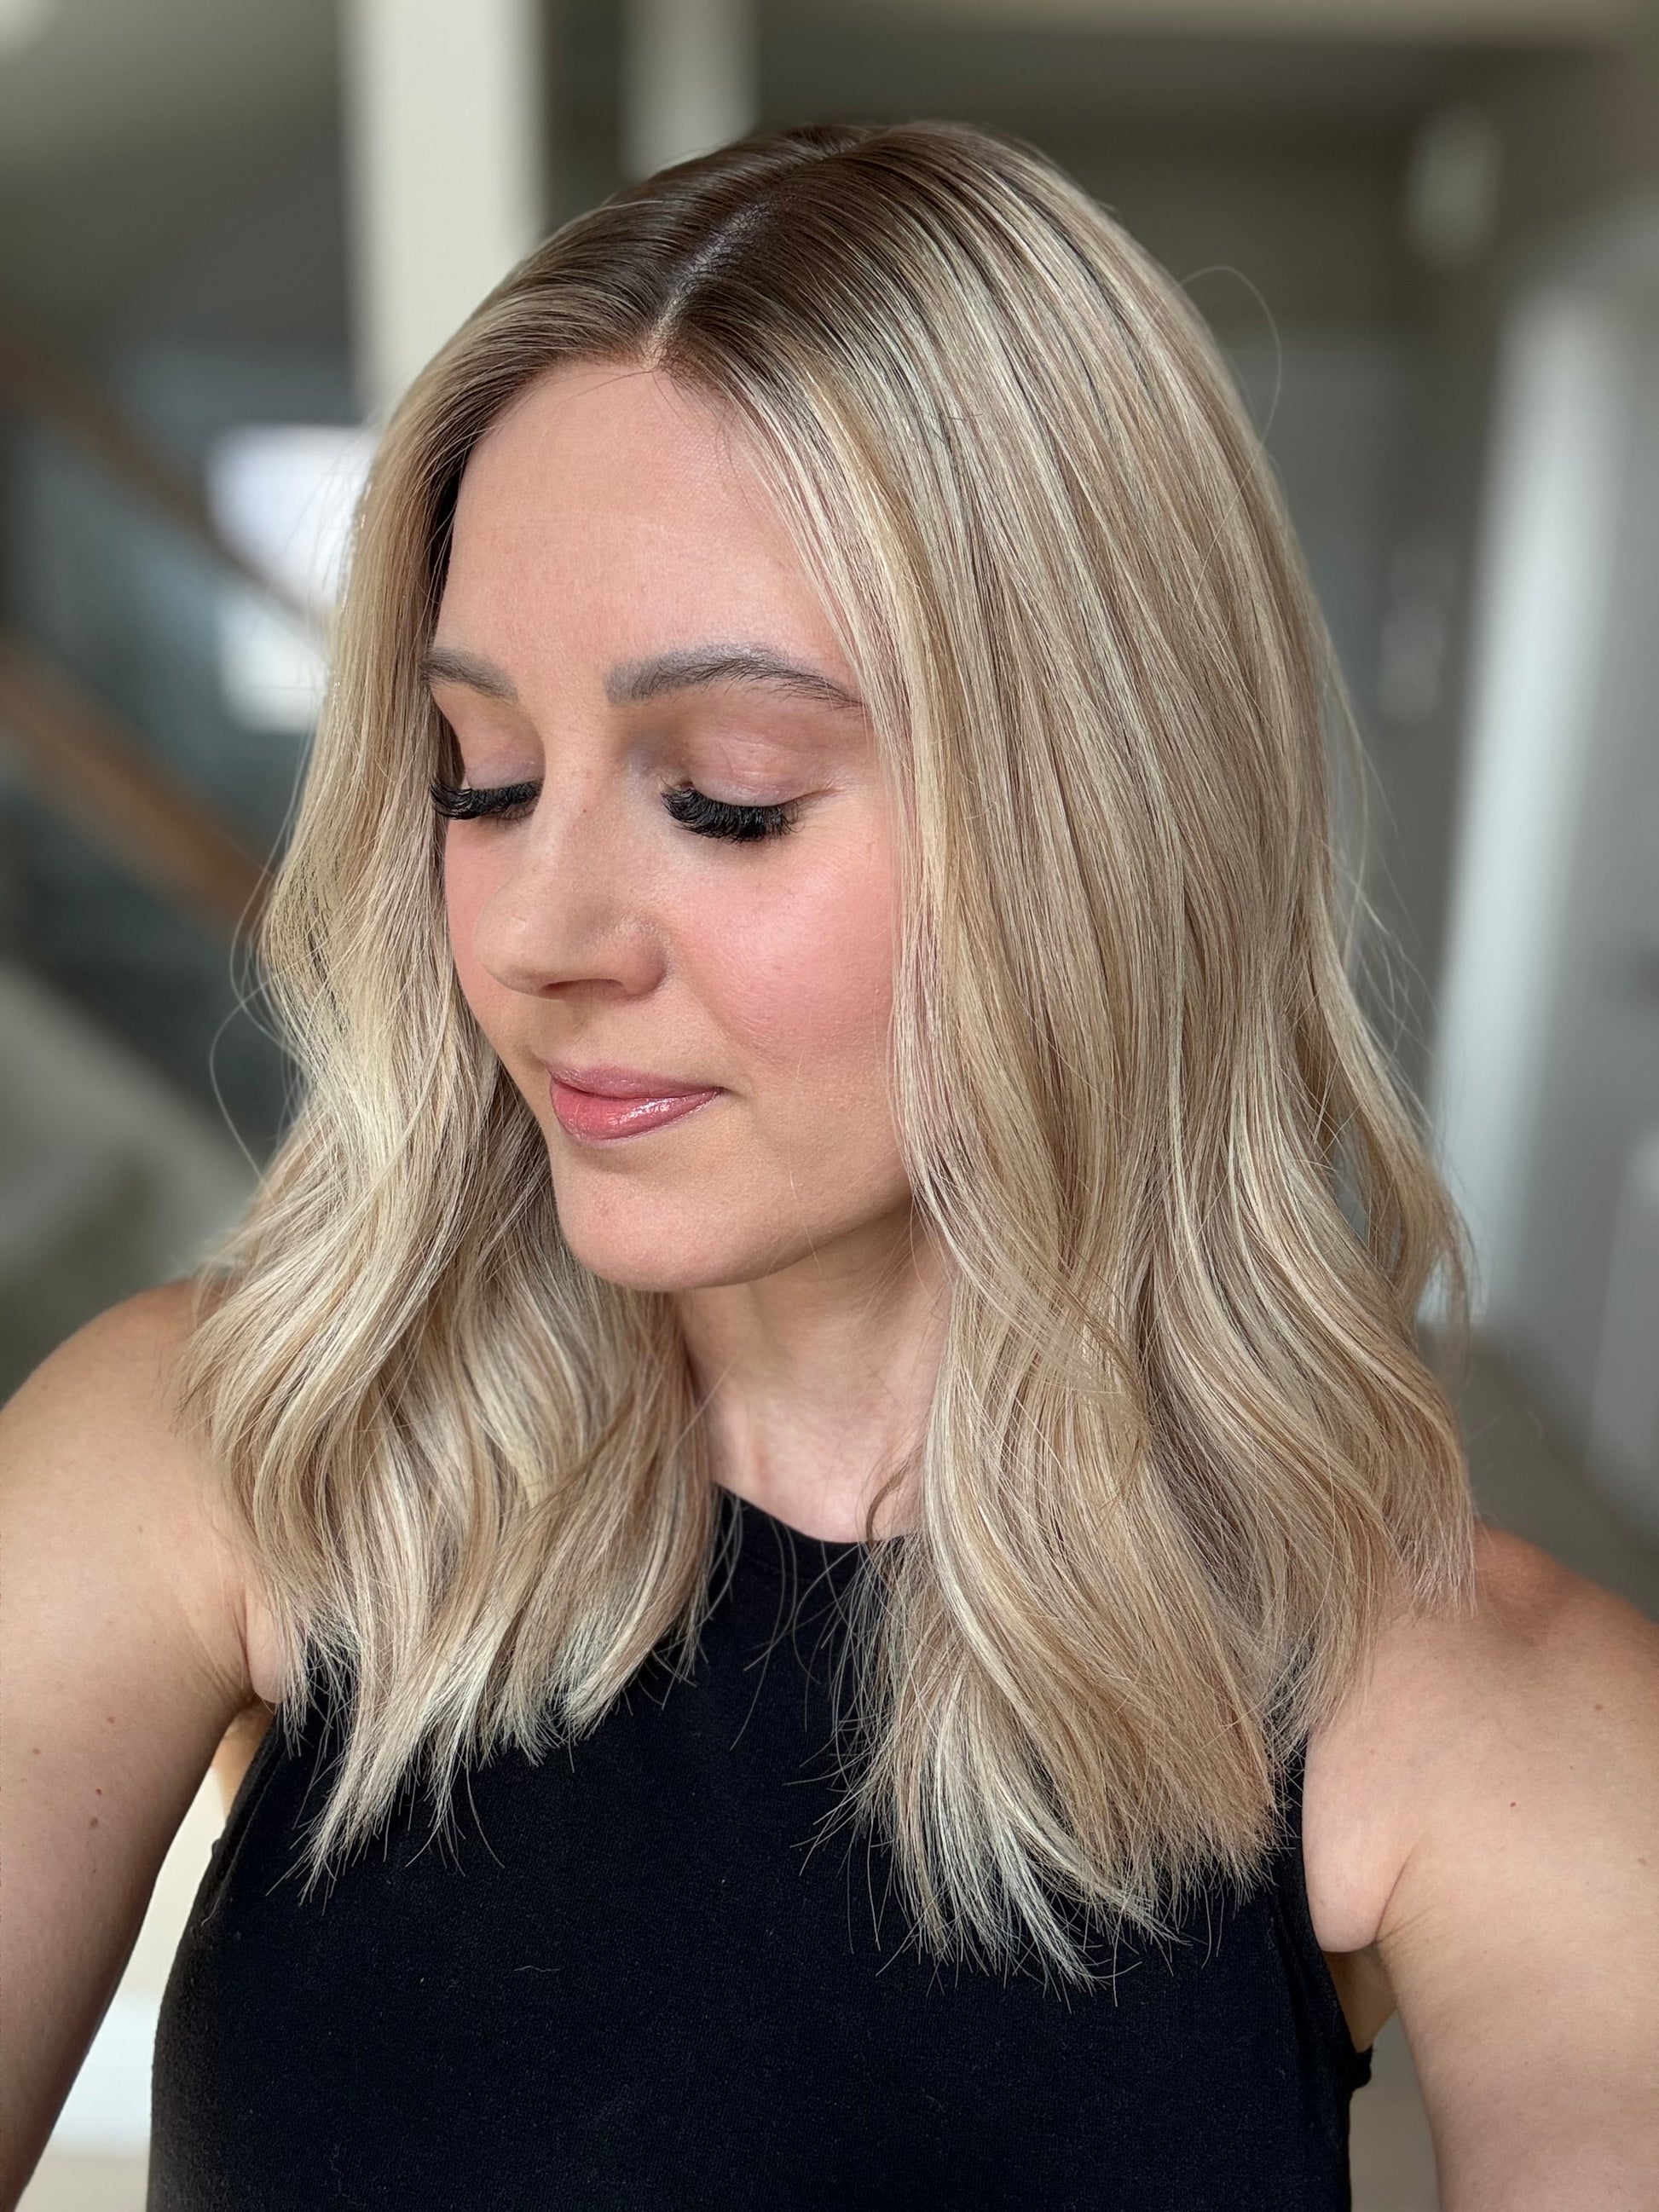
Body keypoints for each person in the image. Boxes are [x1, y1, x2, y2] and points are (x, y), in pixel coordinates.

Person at [2, 118, 1655, 2211]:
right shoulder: (210, 1461)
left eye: (728, 796)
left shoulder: (1495, 1716)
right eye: (479, 774)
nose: (533, 932)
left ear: (1105, 829)